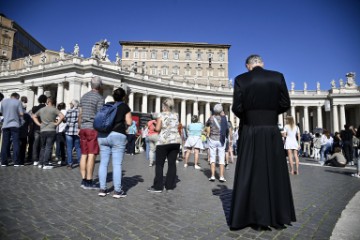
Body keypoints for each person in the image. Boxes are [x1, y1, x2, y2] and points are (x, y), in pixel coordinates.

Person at [230, 54, 296, 231]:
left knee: (252, 172)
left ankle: (255, 218)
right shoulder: (277, 76)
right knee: (275, 171)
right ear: (262, 63)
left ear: (247, 66)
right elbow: (285, 103)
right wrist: (271, 113)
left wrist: (251, 115)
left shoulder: (241, 79)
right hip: (272, 130)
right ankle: (279, 217)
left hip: (251, 130)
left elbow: (236, 107)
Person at [98, 87, 132, 198]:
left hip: (103, 135)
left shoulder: (107, 105)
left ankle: (102, 189)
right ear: (123, 97)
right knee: (117, 164)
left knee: (103, 163)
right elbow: (129, 122)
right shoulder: (124, 106)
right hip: (117, 135)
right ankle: (117, 191)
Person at [147, 98, 181, 193]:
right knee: (172, 164)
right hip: (176, 141)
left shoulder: (161, 115)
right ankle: (169, 186)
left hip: (163, 141)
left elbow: (157, 129)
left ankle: (158, 187)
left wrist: (154, 126)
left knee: (159, 164)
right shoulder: (176, 115)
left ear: (164, 107)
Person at [78, 76, 104, 189]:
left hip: (83, 128)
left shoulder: (84, 97)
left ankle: (83, 179)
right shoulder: (99, 98)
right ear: (100, 86)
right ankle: (89, 181)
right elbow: (100, 116)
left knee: (84, 154)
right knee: (92, 155)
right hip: (92, 129)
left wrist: (80, 126)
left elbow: (80, 114)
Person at [32, 97, 64, 169]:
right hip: (51, 129)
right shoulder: (54, 109)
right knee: (48, 147)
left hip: (43, 129)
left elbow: (33, 116)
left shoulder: (42, 109)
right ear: (52, 102)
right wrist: (57, 123)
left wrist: (39, 124)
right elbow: (62, 116)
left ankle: (40, 163)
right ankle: (46, 163)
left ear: (48, 102)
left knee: (42, 147)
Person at [206, 104, 228, 182]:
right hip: (221, 140)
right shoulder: (224, 118)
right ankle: (221, 176)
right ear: (221, 110)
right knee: (222, 158)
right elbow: (227, 129)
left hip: (212, 139)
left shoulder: (211, 118)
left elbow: (207, 124)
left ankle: (212, 176)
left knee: (212, 158)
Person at [0, 92, 24, 167]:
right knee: (16, 143)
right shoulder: (18, 102)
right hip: (15, 124)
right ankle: (16, 162)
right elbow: (21, 114)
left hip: (5, 124)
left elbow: (2, 112)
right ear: (17, 97)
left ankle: (3, 162)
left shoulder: (3, 102)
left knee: (5, 143)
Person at [31, 95, 48, 166]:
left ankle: (35, 159)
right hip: (44, 127)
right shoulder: (46, 108)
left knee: (35, 144)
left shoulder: (35, 108)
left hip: (36, 128)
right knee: (43, 145)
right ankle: (42, 159)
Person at [65, 99, 81, 169]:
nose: (70, 104)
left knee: (69, 148)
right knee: (78, 147)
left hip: (69, 131)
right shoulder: (80, 112)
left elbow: (65, 119)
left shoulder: (69, 111)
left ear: (73, 104)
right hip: (77, 131)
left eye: (71, 103)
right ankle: (80, 162)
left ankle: (70, 164)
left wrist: (69, 123)